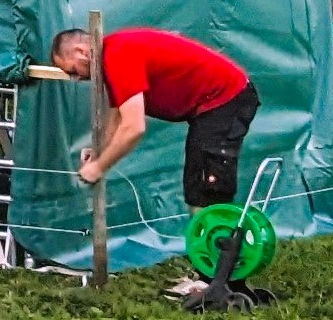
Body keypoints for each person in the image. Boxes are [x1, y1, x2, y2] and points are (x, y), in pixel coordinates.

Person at [50, 24, 258, 288]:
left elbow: (134, 126)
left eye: (72, 71)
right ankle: (212, 277)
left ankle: (220, 283)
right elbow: (117, 113)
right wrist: (99, 150)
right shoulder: (112, 54)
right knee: (197, 191)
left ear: (82, 51)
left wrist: (99, 167)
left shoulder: (117, 55)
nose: (77, 79)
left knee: (210, 191)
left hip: (226, 98)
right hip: (212, 104)